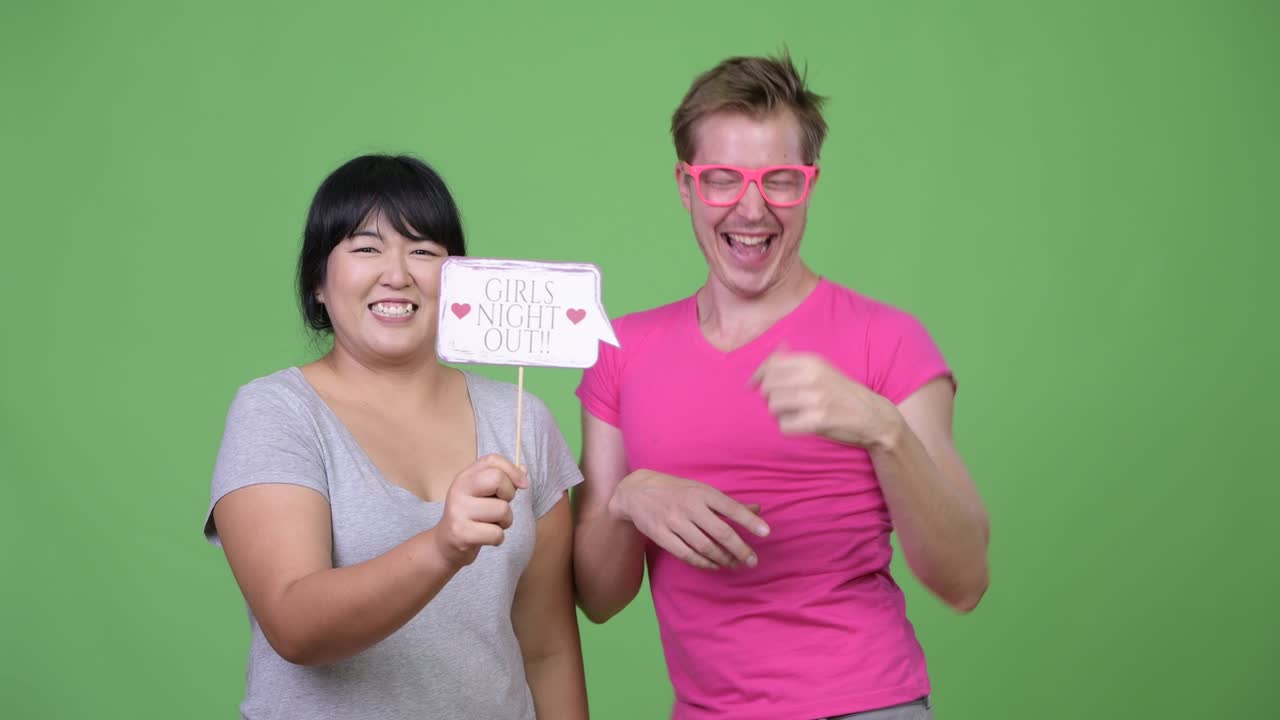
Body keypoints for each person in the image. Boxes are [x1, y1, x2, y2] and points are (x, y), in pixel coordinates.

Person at [572, 53, 990, 720]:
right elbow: (598, 599)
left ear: (810, 185)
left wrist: (885, 429)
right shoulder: (622, 350)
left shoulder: (888, 340)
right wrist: (626, 497)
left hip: (864, 704)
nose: (752, 206)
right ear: (685, 185)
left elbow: (965, 580)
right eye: (721, 179)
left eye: (781, 181)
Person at [203, 154, 587, 719]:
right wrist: (442, 547)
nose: (398, 272)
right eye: (365, 247)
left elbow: (548, 651)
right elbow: (293, 626)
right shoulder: (276, 412)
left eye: (424, 251)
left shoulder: (522, 419)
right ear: (318, 282)